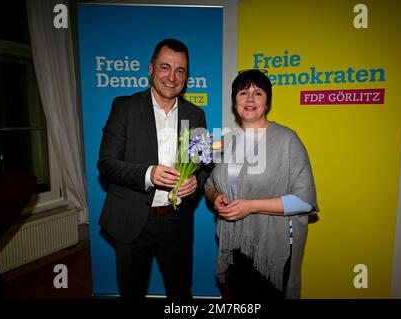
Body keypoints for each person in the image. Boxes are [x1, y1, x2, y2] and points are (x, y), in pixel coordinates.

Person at [97, 38, 209, 299]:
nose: (172, 77)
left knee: (181, 293)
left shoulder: (196, 115)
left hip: (177, 221)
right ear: (150, 68)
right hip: (132, 219)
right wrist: (149, 174)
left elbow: (204, 166)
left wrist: (196, 182)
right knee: (132, 292)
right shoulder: (124, 107)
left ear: (186, 76)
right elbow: (106, 163)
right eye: (165, 67)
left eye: (180, 70)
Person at [205, 69, 319, 299]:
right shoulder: (226, 141)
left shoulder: (287, 139)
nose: (249, 99)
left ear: (267, 102)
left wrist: (251, 206)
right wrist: (216, 196)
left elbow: (305, 202)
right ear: (234, 101)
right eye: (243, 92)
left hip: (271, 250)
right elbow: (209, 182)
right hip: (234, 245)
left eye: (258, 93)